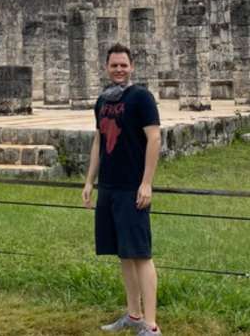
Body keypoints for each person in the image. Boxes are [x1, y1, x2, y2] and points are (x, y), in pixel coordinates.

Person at [82, 43, 161, 335]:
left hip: (132, 186)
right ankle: (134, 314)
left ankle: (151, 326)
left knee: (141, 254)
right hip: (110, 186)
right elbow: (99, 142)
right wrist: (90, 180)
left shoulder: (142, 98)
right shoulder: (102, 101)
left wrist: (146, 182)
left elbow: (154, 139)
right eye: (114, 65)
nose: (118, 69)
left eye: (123, 65)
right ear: (106, 67)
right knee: (124, 254)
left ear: (132, 67)